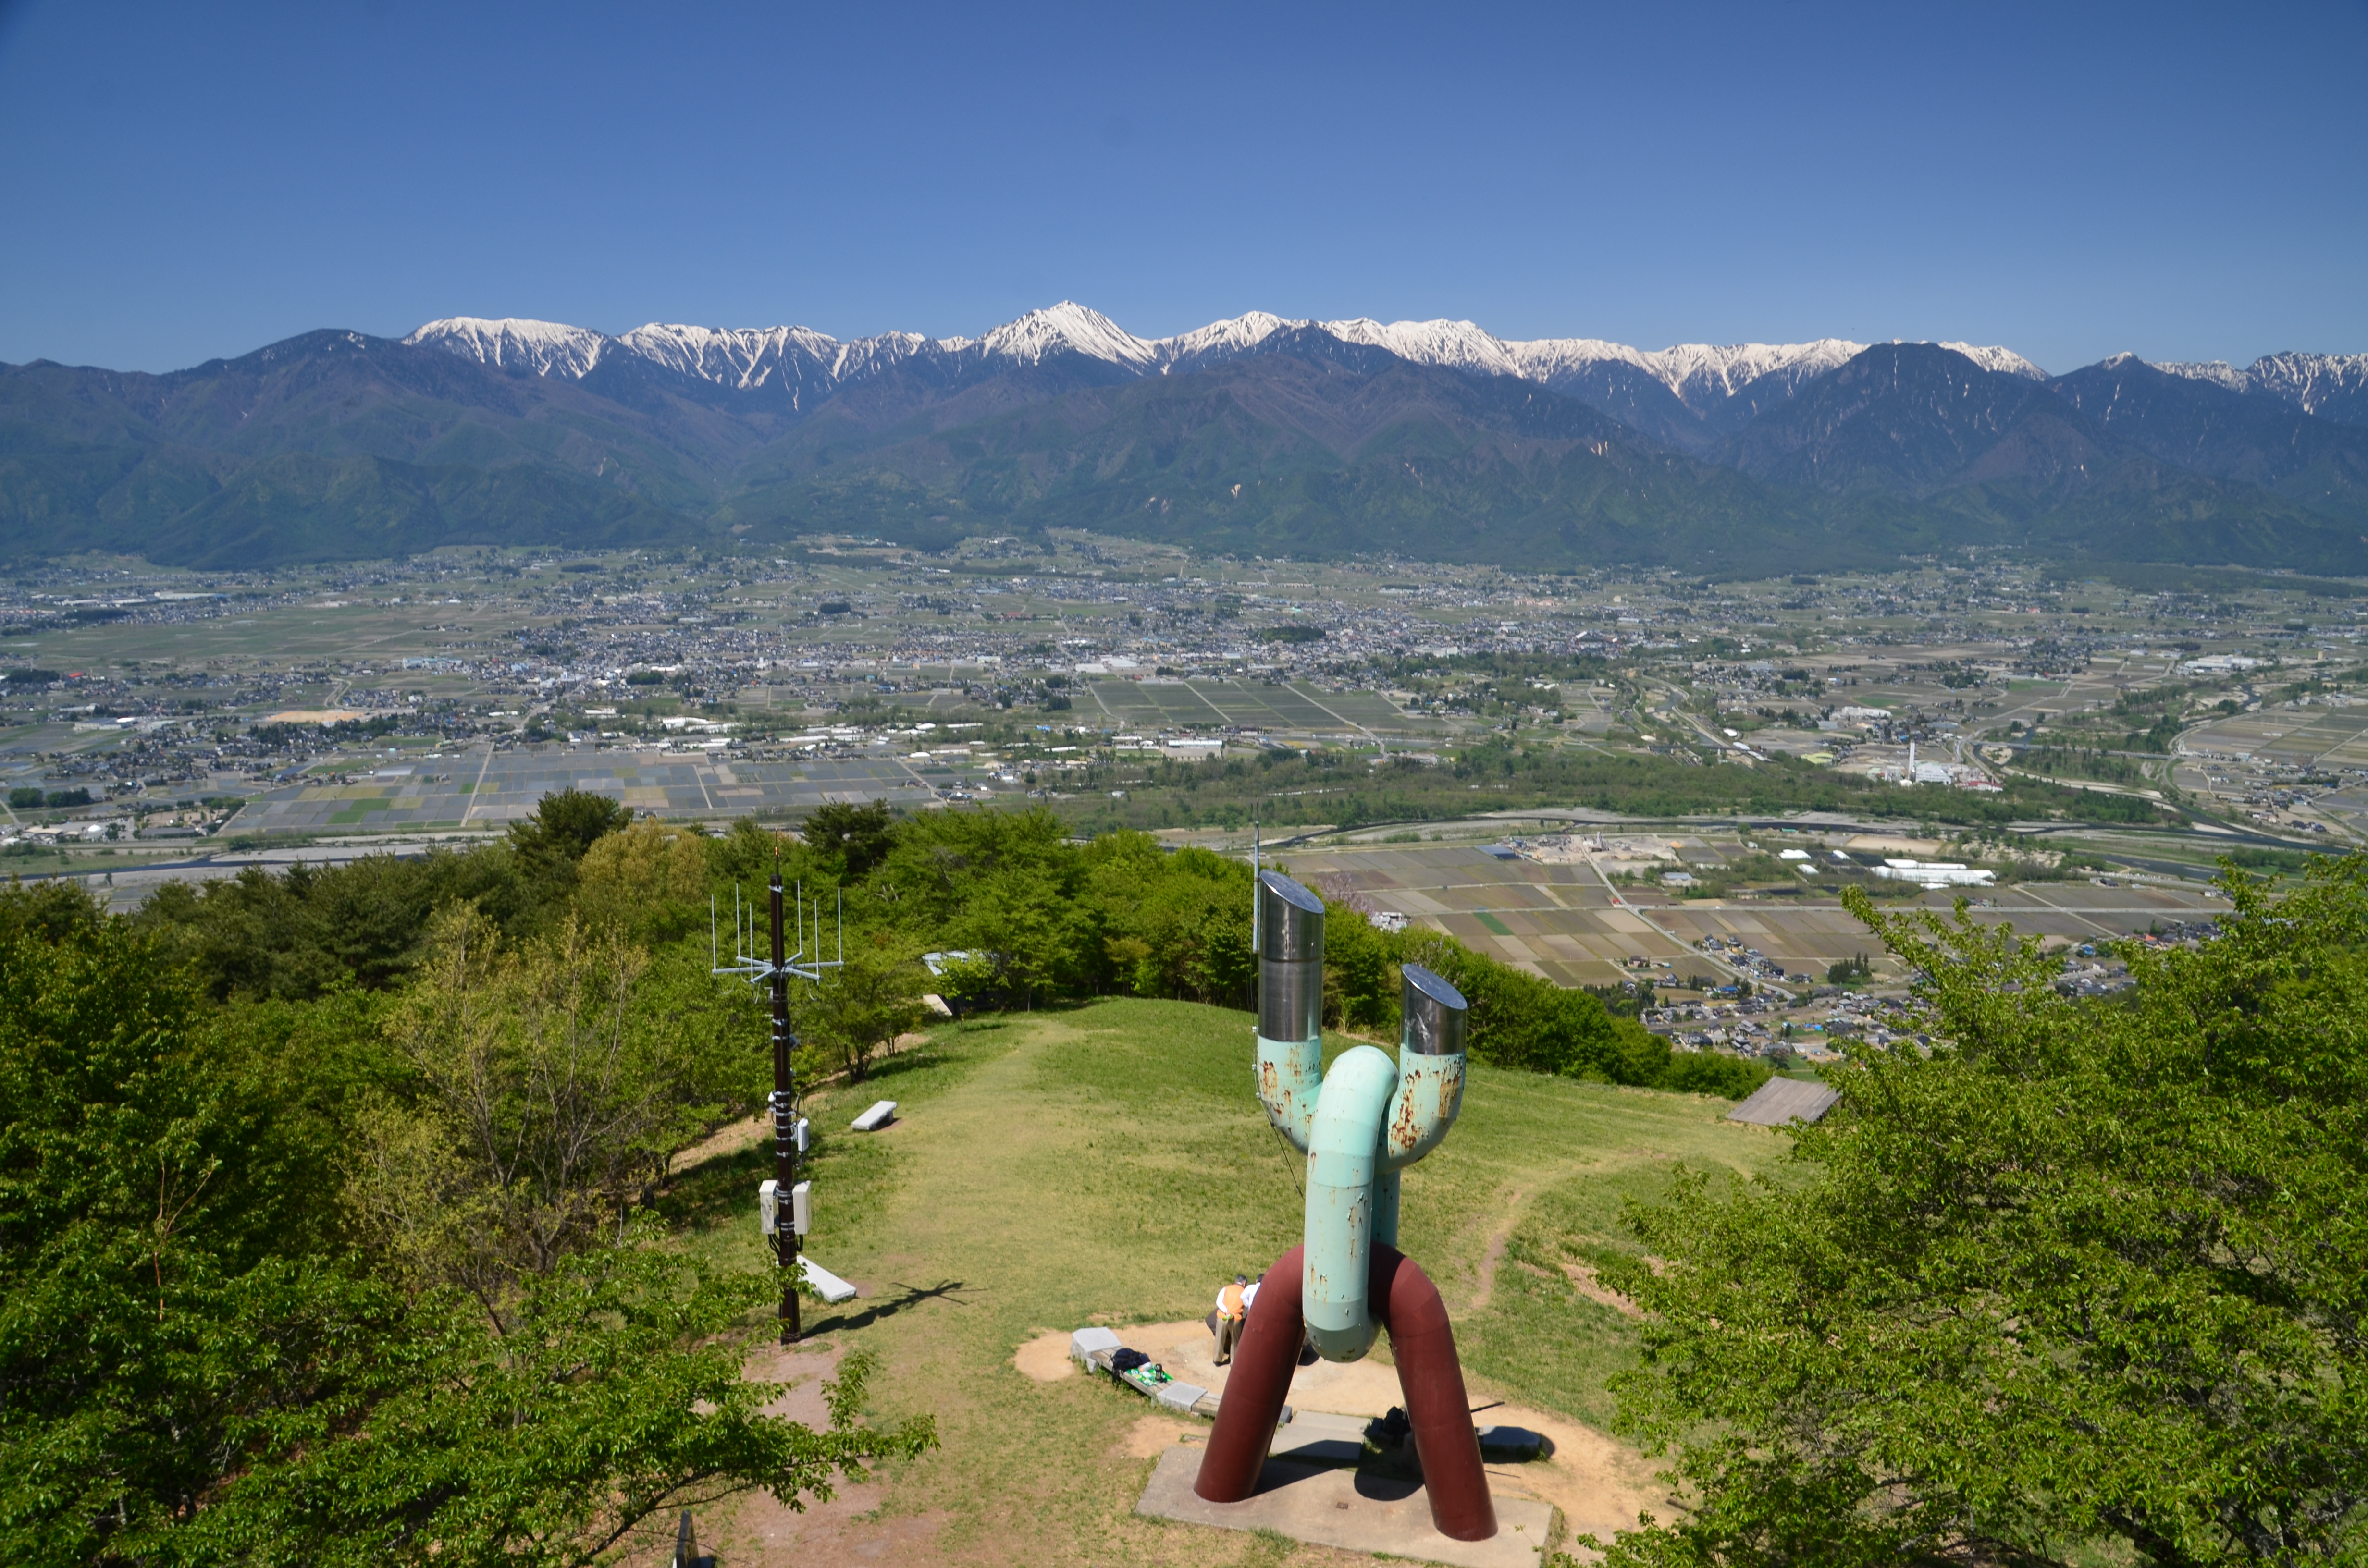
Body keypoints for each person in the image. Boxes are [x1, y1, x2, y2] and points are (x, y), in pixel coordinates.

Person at [1214, 1274, 1249, 1365]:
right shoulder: (1245, 1292)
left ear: (1235, 1282)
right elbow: (1248, 1305)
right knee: (1235, 1341)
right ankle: (1234, 1362)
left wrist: (1226, 1311)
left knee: (1220, 1339)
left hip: (1223, 1318)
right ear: (1244, 1284)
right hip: (1236, 1320)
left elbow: (1219, 1301)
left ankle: (1217, 1360)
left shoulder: (1226, 1288)